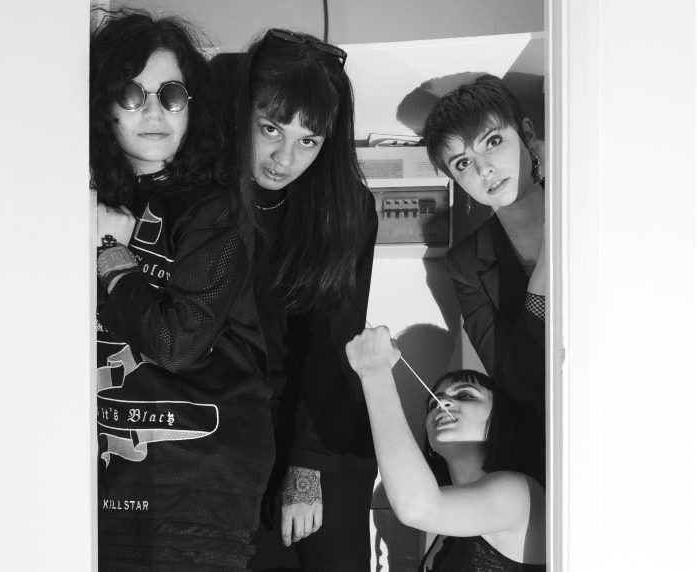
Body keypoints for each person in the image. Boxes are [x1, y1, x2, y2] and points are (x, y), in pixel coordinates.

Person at [91, 10, 274, 570]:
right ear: (103, 103)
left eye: (171, 95)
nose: (154, 111)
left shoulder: (215, 208)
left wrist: (112, 256)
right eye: (132, 94)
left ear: (192, 106)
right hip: (106, 470)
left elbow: (177, 343)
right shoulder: (80, 198)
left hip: (200, 477)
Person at [232, 28, 379, 571]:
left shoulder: (344, 208)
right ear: (243, 113)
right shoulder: (210, 197)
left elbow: (334, 340)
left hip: (322, 422)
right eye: (271, 128)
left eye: (308, 141)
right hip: (234, 429)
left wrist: (307, 464)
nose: (283, 156)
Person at [346, 326, 546, 571]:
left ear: (500, 420)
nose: (442, 403)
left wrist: (375, 372)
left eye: (466, 395)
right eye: (434, 402)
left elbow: (417, 508)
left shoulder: (519, 493)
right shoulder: (448, 512)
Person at [424, 75, 546, 410]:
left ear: (527, 136)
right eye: (463, 163)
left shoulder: (588, 206)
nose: (484, 169)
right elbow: (517, 383)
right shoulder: (464, 264)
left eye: (492, 142)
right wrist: (545, 272)